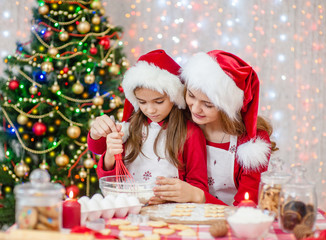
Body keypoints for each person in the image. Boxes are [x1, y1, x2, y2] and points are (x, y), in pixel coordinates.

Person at [154, 50, 278, 206]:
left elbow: (246, 209)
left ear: (227, 107)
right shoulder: (181, 125)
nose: (195, 109)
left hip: (227, 225)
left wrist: (198, 196)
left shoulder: (251, 144)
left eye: (208, 105)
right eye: (191, 95)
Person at [87, 49, 210, 204]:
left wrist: (170, 198)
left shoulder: (190, 133)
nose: (150, 110)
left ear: (174, 96)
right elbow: (109, 177)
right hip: (129, 208)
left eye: (159, 102)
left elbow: (198, 188)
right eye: (142, 102)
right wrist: (111, 154)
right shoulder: (128, 129)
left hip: (170, 214)